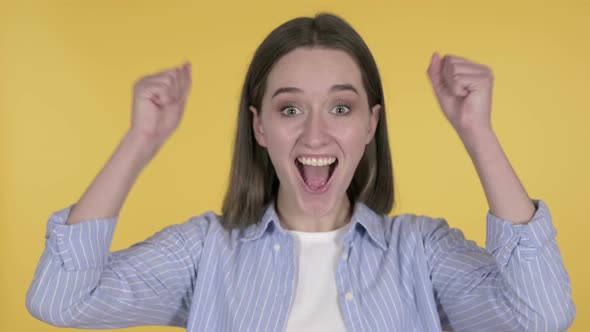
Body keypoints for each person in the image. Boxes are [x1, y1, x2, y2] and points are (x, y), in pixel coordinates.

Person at [26, 13, 575, 332]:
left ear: (370, 125)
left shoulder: (420, 252)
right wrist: (139, 143)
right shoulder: (206, 252)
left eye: (341, 107)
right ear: (259, 126)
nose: (315, 135)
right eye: (290, 108)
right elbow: (61, 300)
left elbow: (542, 313)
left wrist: (477, 132)